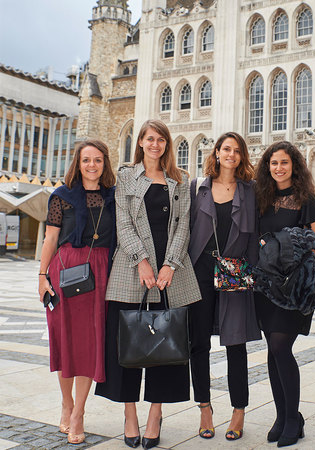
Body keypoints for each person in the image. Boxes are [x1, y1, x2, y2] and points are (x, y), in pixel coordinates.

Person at [95, 119, 201, 449]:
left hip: (171, 275)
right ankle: (130, 415)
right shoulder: (127, 176)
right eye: (149, 139)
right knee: (126, 346)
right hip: (131, 271)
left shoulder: (179, 179)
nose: (155, 144)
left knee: (165, 348)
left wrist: (170, 265)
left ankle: (155, 415)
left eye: (161, 140)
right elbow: (123, 224)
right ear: (140, 142)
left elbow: (183, 226)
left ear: (167, 144)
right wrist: (141, 259)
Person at [38, 139, 116, 445]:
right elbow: (50, 238)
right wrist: (42, 277)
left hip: (100, 273)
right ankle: (66, 403)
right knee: (65, 341)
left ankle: (79, 412)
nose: (92, 165)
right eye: (86, 160)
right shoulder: (62, 196)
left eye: (97, 160)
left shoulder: (114, 197)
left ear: (105, 163)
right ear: (78, 163)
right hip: (65, 272)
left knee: (89, 344)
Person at [254, 141, 315, 448]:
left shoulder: (305, 198)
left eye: (284, 162)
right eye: (274, 163)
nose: (279, 168)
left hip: (295, 286)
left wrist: (278, 245)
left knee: (281, 346)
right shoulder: (261, 197)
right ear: (267, 167)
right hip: (266, 285)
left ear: (294, 165)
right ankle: (282, 416)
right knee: (272, 350)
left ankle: (293, 418)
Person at [189, 131, 261, 441]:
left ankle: (238, 411)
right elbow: (186, 230)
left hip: (234, 270)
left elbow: (255, 235)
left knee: (235, 343)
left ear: (242, 156)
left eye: (237, 150)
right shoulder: (197, 187)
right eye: (226, 149)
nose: (231, 154)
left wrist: (254, 274)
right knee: (198, 343)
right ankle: (204, 408)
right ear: (216, 152)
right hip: (201, 271)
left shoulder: (250, 190)